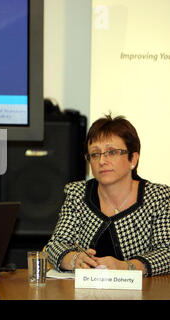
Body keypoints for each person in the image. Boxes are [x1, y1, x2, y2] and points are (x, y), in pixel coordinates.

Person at [45, 114, 169, 277]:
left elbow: (167, 253)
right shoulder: (77, 193)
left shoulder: (158, 197)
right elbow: (55, 245)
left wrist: (127, 267)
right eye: (95, 154)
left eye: (112, 152)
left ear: (133, 158)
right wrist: (75, 259)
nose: (102, 160)